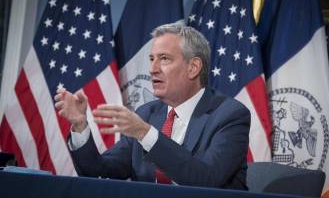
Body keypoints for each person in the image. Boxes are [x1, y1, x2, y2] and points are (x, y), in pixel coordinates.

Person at [54, 24, 250, 190]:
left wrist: (145, 133)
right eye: (151, 59)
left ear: (193, 67)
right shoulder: (147, 113)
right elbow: (99, 171)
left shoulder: (229, 115)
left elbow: (206, 179)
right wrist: (80, 125)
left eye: (164, 59)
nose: (152, 69)